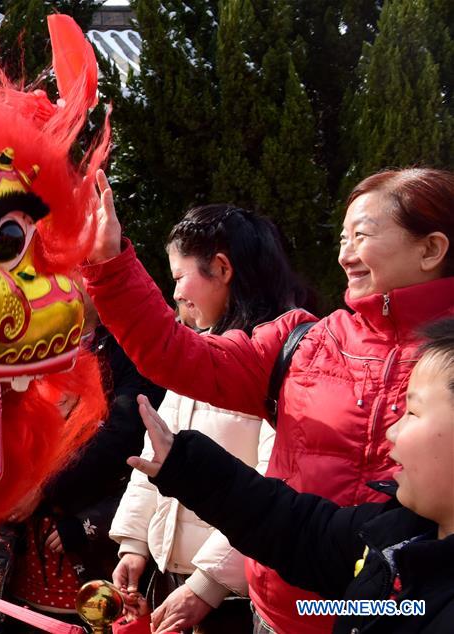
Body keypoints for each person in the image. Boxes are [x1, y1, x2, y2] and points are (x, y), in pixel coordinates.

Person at [83, 167, 453, 633]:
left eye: (362, 236)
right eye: (342, 238)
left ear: (431, 249)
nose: (344, 255)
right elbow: (177, 354)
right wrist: (110, 264)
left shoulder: (445, 362)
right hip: (277, 613)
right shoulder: (305, 342)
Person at [129, 316, 454, 634]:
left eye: (413, 412)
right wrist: (185, 466)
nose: (392, 432)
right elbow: (299, 530)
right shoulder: (399, 531)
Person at [109, 205, 307, 634]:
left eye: (179, 276)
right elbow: (156, 453)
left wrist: (208, 585)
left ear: (221, 268)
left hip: (239, 598)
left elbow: (275, 484)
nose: (175, 294)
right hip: (174, 580)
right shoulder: (199, 351)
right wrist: (134, 542)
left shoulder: (283, 359)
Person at [0, 305, 165, 632]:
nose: (56, 392)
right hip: (17, 593)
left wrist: (82, 523)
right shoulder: (13, 423)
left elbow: (132, 480)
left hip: (90, 589)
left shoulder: (103, 429)